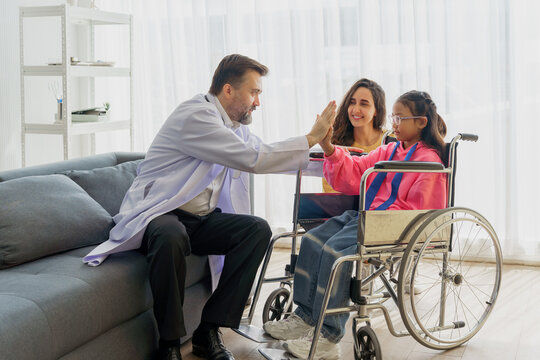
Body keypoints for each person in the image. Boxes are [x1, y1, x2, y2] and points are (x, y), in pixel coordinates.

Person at [82, 54, 337, 360]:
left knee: (256, 230)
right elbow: (252, 159)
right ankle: (170, 343)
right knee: (170, 235)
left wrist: (333, 158)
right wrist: (310, 137)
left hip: (199, 219)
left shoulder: (233, 126)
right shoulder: (196, 116)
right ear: (228, 90)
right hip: (160, 214)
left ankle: (208, 330)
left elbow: (262, 152)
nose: (258, 102)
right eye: (254, 92)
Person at [263, 90, 448, 359]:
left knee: (336, 252)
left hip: (390, 225)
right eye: (393, 117)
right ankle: (304, 316)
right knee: (314, 241)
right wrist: (328, 147)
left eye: (400, 118)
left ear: (421, 122)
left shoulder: (429, 161)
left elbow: (421, 211)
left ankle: (328, 335)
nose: (394, 123)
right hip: (366, 217)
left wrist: (378, 216)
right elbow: (356, 170)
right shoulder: (390, 149)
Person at [322, 78, 391, 193]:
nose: (356, 109)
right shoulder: (336, 145)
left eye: (364, 104)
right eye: (352, 102)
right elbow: (331, 193)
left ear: (376, 111)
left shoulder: (391, 140)